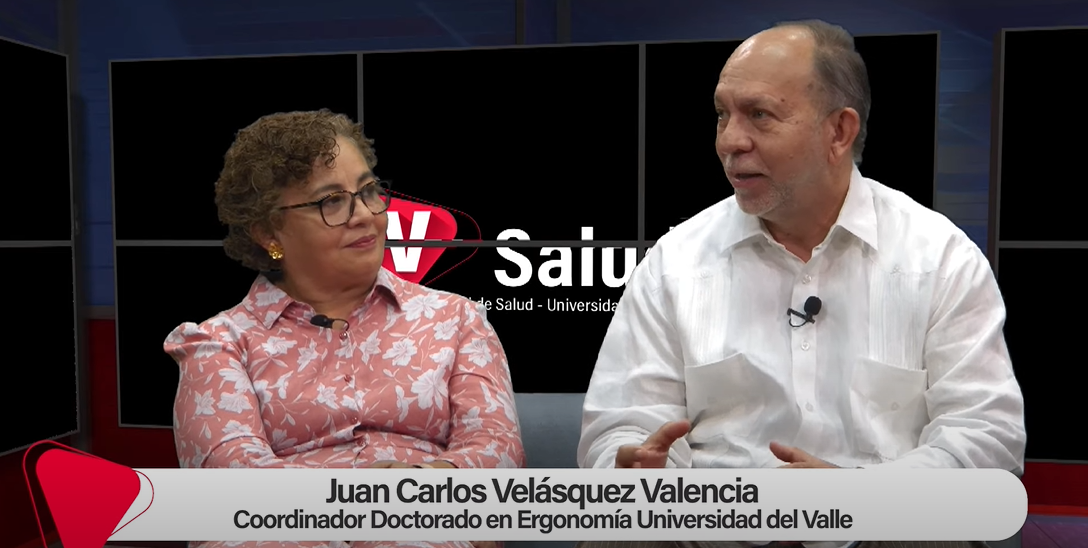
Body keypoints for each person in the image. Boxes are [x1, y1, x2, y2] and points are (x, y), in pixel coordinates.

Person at [576, 19, 1025, 548]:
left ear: (839, 131)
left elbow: (985, 439)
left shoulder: (940, 258)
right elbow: (623, 426)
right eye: (722, 114)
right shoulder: (674, 263)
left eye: (759, 115)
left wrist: (858, 501)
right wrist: (633, 471)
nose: (729, 141)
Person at [165, 109, 525, 548]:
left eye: (368, 191)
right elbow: (230, 483)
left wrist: (423, 486)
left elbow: (497, 449)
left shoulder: (456, 319)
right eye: (331, 201)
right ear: (267, 232)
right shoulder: (218, 344)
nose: (364, 215)